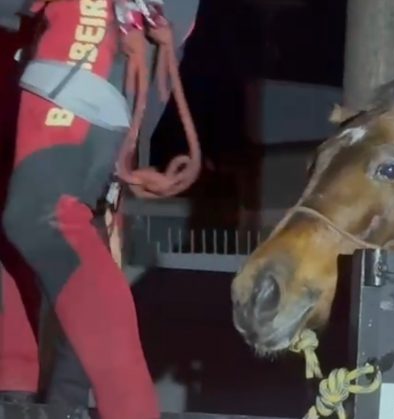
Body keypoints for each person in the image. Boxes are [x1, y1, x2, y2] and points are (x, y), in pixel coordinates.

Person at [0, 1, 201, 418]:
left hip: (100, 22)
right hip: (74, 34)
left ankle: (126, 409)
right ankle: (21, 389)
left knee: (46, 217)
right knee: (45, 215)